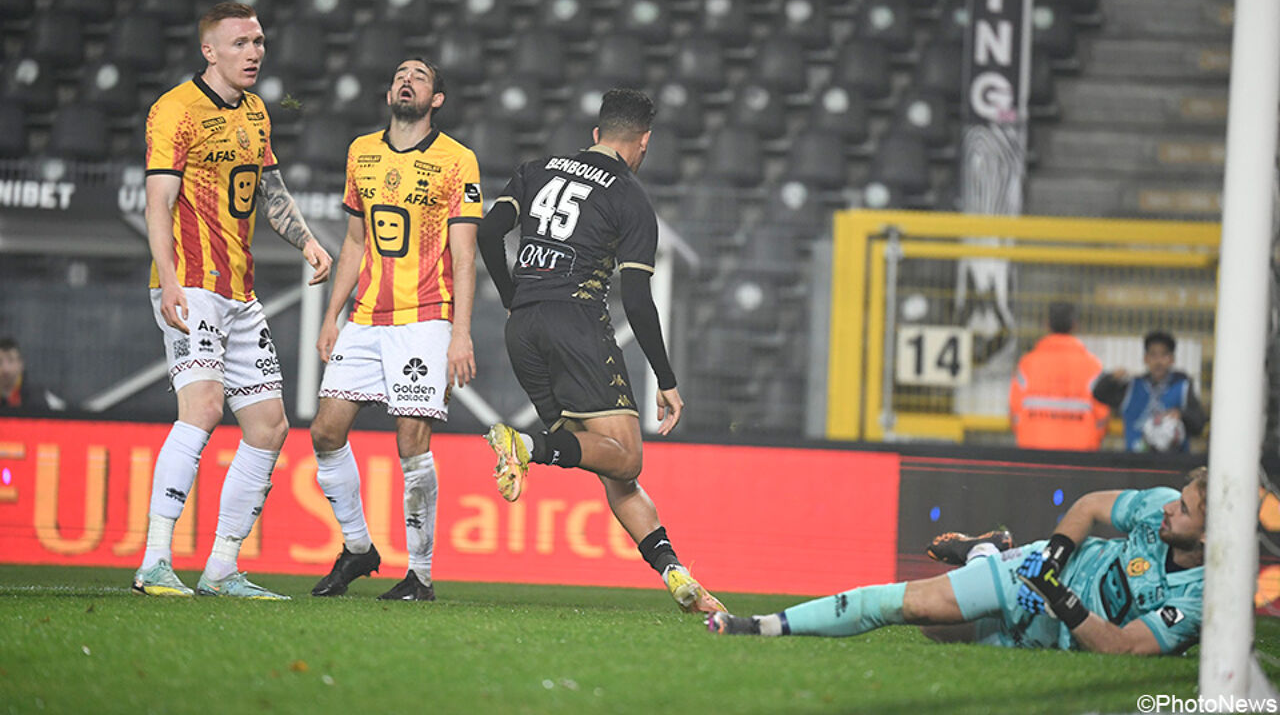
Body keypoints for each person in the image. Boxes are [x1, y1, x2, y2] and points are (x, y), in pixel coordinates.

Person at [475, 88, 725, 614]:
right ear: (643, 143)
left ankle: (677, 576)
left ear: (595, 134)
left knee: (614, 466)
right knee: (627, 453)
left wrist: (511, 296)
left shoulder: (536, 167)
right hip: (577, 326)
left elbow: (491, 230)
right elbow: (636, 296)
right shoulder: (631, 197)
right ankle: (527, 447)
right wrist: (666, 378)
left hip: (523, 329)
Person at [133, 2, 333, 600]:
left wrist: (308, 242)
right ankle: (153, 562)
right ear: (209, 51)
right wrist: (168, 281)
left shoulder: (256, 112)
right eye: (241, 42)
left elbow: (269, 190)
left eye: (259, 41)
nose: (254, 52)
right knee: (203, 408)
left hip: (240, 293)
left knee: (269, 427)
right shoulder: (174, 110)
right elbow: (157, 203)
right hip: (190, 284)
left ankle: (221, 567)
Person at [307, 58, 481, 601]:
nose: (407, 80)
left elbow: (465, 254)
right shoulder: (362, 151)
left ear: (437, 100)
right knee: (325, 432)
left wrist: (460, 332)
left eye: (421, 77)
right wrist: (332, 315)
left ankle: (420, 576)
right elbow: (355, 242)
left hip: (426, 316)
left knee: (411, 442)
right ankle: (359, 548)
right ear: (389, 92)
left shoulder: (457, 160)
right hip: (365, 318)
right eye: (401, 74)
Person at [710, 467, 1208, 657]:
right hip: (1035, 572)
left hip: (1064, 627)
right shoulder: (1159, 506)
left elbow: (1121, 649)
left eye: (1183, 508)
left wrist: (1059, 596)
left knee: (940, 636)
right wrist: (1054, 559)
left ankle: (986, 550)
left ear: (1211, 536)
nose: (1168, 506)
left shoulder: (1201, 598)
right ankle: (758, 627)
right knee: (916, 607)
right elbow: (1090, 506)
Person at [1008, 302, 1109, 450]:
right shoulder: (1093, 366)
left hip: (1033, 449)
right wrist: (1092, 438)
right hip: (1080, 452)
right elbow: (1102, 416)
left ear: (1047, 325)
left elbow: (1014, 411)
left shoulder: (1027, 363)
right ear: (1075, 325)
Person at [1092, 331, 1206, 453]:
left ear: (1172, 359)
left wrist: (1182, 415)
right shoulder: (1132, 387)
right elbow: (1099, 394)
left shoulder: (1182, 386)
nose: (1158, 361)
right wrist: (1111, 378)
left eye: (1164, 355)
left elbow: (1199, 424)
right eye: (1153, 355)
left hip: (1173, 463)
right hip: (1135, 464)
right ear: (1146, 359)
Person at [0, 337, 65, 412]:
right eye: (0, 362)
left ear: (21, 364)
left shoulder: (38, 396)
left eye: (10, 360)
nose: (5, 368)